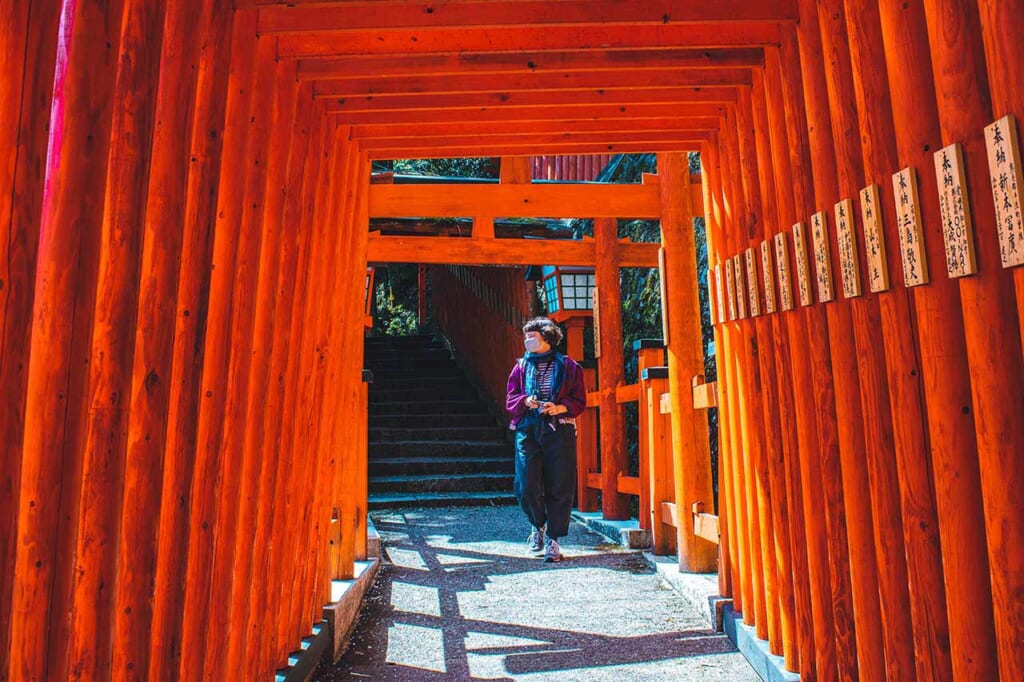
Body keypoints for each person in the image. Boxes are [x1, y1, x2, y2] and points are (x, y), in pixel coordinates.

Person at [505, 317, 587, 562]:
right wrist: (524, 401)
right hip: (528, 427)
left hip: (558, 428)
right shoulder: (520, 367)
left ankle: (554, 539)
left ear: (547, 338)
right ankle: (537, 524)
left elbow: (580, 400)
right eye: (526, 336)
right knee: (526, 483)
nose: (528, 340)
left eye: (533, 336)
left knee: (560, 483)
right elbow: (510, 399)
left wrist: (560, 407)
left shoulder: (569, 366)